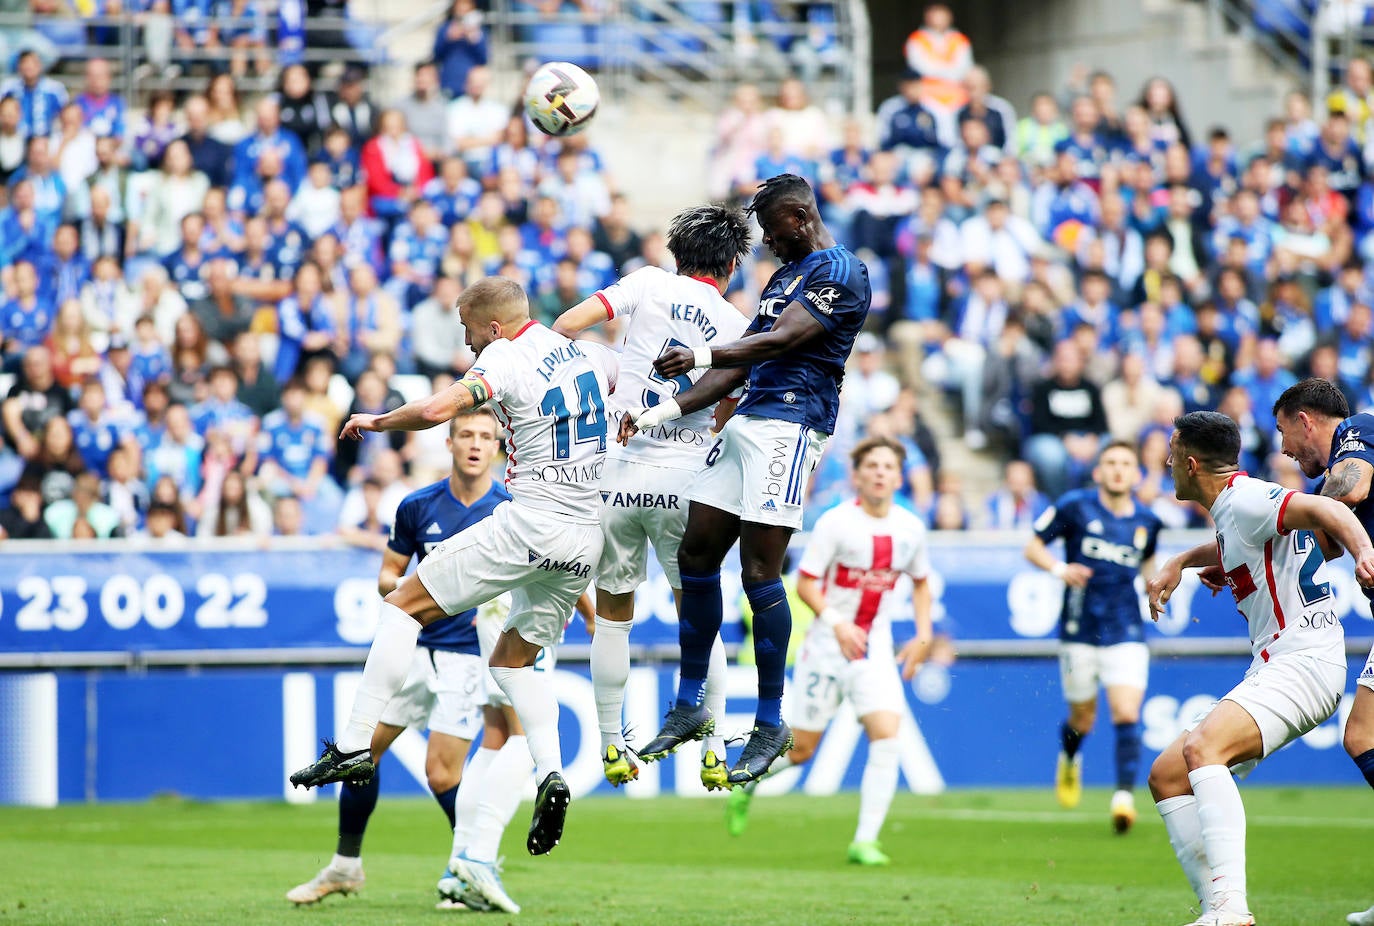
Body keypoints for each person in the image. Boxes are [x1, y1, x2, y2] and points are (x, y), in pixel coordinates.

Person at [290, 279, 615, 885]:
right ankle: (551, 771)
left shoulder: (506, 355)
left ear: (492, 327)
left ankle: (356, 744)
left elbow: (440, 408)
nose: (466, 345)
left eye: (468, 332)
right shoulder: (585, 354)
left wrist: (380, 420)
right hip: (585, 536)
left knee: (402, 606)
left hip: (534, 516)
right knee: (514, 661)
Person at [620, 174, 871, 785]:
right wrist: (662, 411)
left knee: (759, 570)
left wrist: (702, 356)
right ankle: (688, 707)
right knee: (696, 553)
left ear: (797, 216)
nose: (762, 238)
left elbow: (785, 338)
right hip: (748, 421)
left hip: (791, 428)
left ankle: (769, 721)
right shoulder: (782, 279)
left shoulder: (842, 270)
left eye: (767, 224)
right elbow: (744, 362)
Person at [551, 203, 753, 789]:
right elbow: (728, 407)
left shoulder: (645, 282)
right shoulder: (739, 325)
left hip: (617, 472)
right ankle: (713, 752)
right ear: (733, 264)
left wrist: (604, 381)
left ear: (677, 253)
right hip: (686, 479)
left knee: (614, 618)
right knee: (700, 620)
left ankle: (613, 745)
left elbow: (566, 325)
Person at [1145, 411, 1374, 926]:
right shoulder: (1235, 509)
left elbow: (1323, 509)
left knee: (1204, 749)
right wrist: (1183, 560)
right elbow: (1247, 535)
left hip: (1304, 658)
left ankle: (1230, 910)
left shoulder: (1247, 499)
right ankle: (1217, 908)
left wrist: (1364, 554)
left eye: (1171, 451)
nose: (1165, 462)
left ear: (1191, 461)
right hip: (1280, 663)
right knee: (1168, 776)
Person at [286, 409, 510, 908]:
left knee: (442, 774)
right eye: (466, 435)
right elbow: (388, 575)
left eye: (485, 437)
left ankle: (472, 870)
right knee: (360, 755)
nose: (476, 444)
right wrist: (420, 584)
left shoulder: (510, 511)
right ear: (449, 443)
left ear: (497, 447)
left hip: (466, 659)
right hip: (411, 649)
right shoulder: (416, 506)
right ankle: (345, 867)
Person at [725, 436, 934, 865]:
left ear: (899, 476)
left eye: (887, 466)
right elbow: (805, 583)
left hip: (873, 648)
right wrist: (837, 624)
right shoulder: (836, 523)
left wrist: (924, 634)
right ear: (857, 476)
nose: (879, 472)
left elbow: (921, 581)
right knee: (800, 751)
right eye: (871, 466)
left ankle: (865, 841)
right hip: (825, 647)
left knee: (886, 738)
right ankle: (749, 786)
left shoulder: (911, 529)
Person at [1264, 378, 1374, 926]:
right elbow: (1314, 546)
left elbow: (1350, 489)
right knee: (1364, 735)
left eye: (1285, 432)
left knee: (1364, 735)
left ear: (1307, 421)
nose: (1285, 448)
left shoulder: (1358, 432)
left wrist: (1309, 509)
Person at [1023, 440, 1163, 832]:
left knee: (1127, 712)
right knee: (1082, 719)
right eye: (1111, 463)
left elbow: (1147, 570)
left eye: (1126, 463)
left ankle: (1122, 798)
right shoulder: (1075, 506)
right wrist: (1059, 569)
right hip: (1078, 628)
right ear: (1098, 471)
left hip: (1126, 630)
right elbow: (1032, 546)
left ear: (1136, 474)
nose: (1118, 470)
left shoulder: (1148, 522)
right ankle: (1070, 758)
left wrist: (1157, 588)